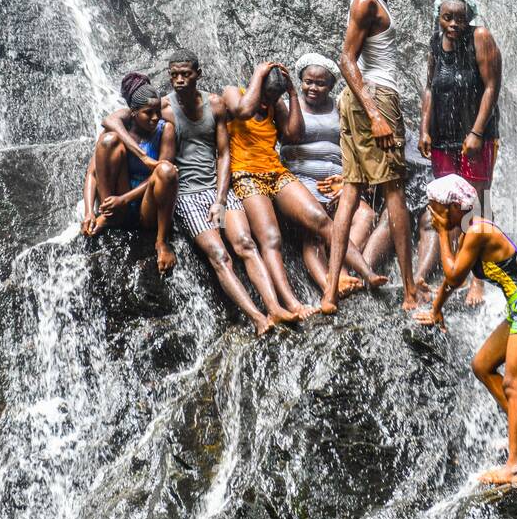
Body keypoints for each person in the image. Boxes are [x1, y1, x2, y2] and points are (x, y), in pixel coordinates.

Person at [323, 0, 479, 314]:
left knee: (352, 193)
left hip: (360, 101)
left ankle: (328, 293)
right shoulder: (365, 4)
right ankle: (411, 290)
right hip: (375, 98)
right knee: (394, 190)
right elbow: (345, 59)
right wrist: (375, 114)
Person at [100, 52, 300, 336]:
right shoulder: (164, 109)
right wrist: (140, 159)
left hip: (217, 190)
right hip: (186, 195)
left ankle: (276, 307)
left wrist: (220, 198)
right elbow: (113, 119)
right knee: (220, 255)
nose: (179, 80)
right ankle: (257, 318)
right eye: (174, 75)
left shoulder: (215, 104)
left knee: (245, 243)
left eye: (185, 74)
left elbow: (223, 153)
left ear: (198, 73)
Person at [414, 174, 517, 486]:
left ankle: (515, 469)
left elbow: (453, 275)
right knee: (482, 365)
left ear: (456, 207)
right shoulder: (471, 232)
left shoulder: (479, 229)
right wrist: (436, 310)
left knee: (513, 383)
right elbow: (453, 280)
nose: (434, 215)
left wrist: (441, 233)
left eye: (438, 209)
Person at [223, 62, 382, 315]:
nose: (268, 102)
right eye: (266, 95)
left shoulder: (276, 104)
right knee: (271, 239)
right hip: (246, 175)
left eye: (273, 97)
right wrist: (258, 74)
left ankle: (366, 273)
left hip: (275, 172)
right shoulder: (235, 93)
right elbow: (242, 111)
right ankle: (292, 304)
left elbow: (293, 135)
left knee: (321, 220)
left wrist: (292, 94)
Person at [418, 0, 502, 306]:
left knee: (477, 206)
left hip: (474, 137)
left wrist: (477, 132)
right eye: (447, 17)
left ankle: (478, 280)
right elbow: (429, 86)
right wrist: (424, 129)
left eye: (460, 18)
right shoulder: (434, 43)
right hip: (442, 137)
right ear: (438, 17)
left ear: (470, 17)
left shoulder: (480, 37)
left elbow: (492, 85)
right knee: (448, 205)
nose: (454, 24)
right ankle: (454, 273)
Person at [279, 52, 381, 262]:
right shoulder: (288, 107)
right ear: (300, 81)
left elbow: (359, 149)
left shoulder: (341, 108)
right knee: (315, 227)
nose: (313, 88)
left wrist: (349, 183)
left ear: (331, 86)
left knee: (367, 216)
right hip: (301, 183)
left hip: (340, 184)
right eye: (308, 82)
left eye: (320, 84)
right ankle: (334, 277)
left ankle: (341, 269)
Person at [84, 72, 178, 274]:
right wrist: (89, 211)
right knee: (109, 141)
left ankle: (161, 242)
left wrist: (124, 200)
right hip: (118, 199)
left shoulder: (166, 130)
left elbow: (161, 176)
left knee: (166, 170)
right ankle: (108, 215)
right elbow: (92, 174)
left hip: (147, 203)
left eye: (157, 111)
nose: (155, 118)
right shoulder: (118, 129)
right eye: (148, 113)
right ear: (133, 112)